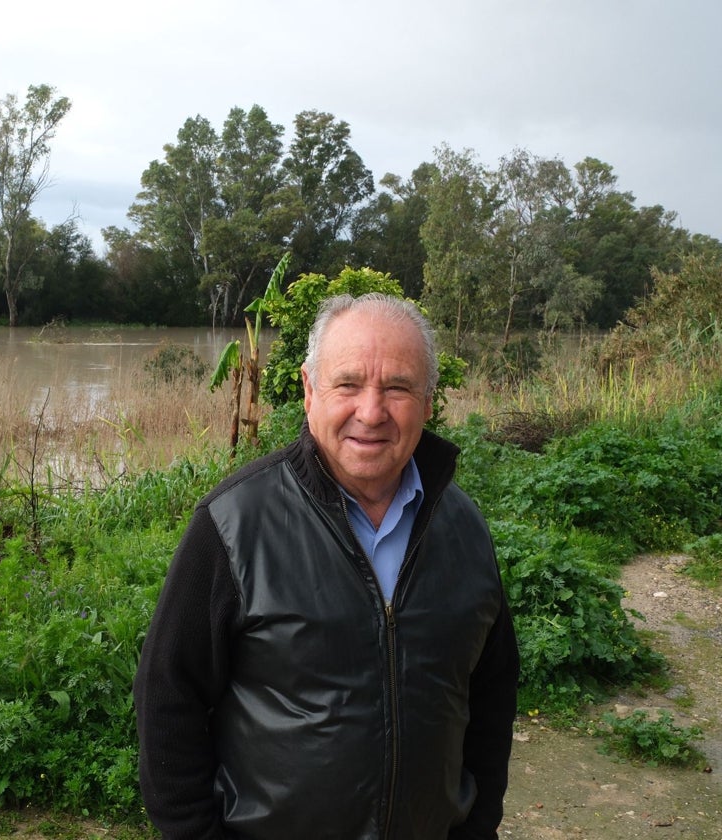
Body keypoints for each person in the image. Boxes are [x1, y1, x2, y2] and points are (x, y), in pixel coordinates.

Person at [133, 293, 519, 840]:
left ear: (429, 402)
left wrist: (477, 825)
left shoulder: (463, 527)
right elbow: (167, 696)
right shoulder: (233, 523)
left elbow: (492, 690)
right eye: (348, 383)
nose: (371, 411)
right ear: (310, 390)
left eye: (398, 387)